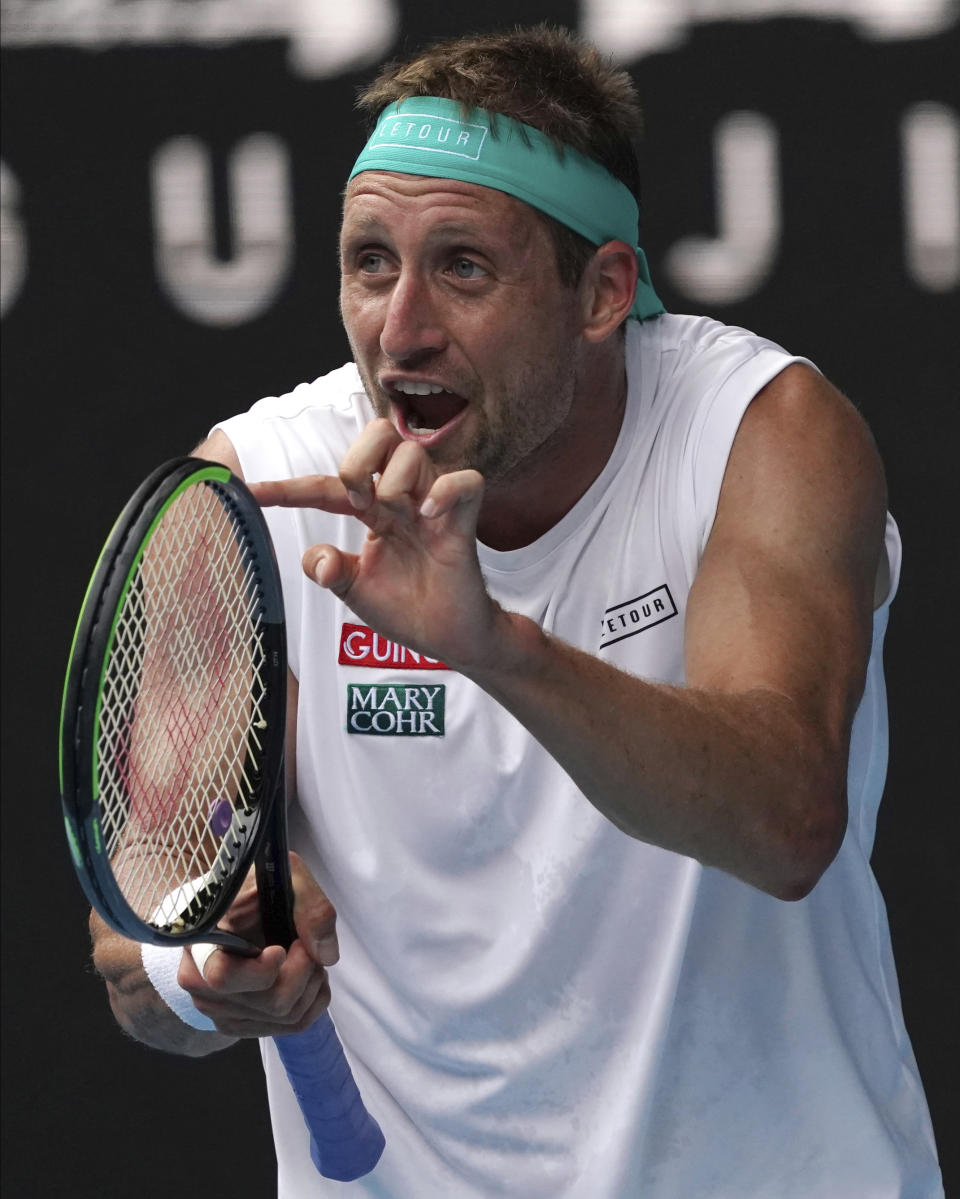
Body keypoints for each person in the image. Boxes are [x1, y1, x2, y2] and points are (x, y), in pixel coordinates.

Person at [90, 25, 943, 1198]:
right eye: (370, 261)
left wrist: (493, 644)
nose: (402, 328)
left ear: (601, 291)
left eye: (464, 267)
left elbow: (788, 820)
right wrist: (205, 973)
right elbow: (136, 968)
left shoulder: (760, 432)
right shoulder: (258, 493)